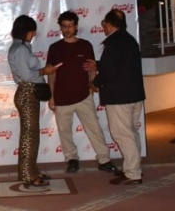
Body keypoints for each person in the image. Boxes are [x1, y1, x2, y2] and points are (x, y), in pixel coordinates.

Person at [46, 11, 120, 175]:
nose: (67, 29)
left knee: (94, 129)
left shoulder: (86, 45)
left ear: (76, 26)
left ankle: (104, 159)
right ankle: (71, 159)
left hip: (83, 96)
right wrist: (51, 97)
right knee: (64, 131)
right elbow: (51, 74)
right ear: (60, 27)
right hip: (61, 97)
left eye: (70, 25)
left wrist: (92, 87)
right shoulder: (55, 48)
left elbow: (92, 68)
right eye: (64, 26)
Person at [84, 9, 147, 185]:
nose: (103, 28)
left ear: (109, 25)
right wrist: (98, 64)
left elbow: (110, 71)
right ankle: (132, 168)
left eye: (104, 24)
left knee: (122, 134)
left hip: (119, 97)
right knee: (131, 132)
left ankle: (133, 173)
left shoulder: (113, 43)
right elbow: (120, 65)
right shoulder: (129, 39)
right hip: (134, 95)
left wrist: (95, 83)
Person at [7, 15, 60, 188]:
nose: (34, 34)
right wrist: (45, 71)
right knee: (29, 136)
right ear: (25, 31)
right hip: (27, 93)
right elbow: (26, 75)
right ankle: (28, 175)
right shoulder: (20, 50)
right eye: (32, 31)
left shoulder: (22, 47)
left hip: (29, 93)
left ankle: (31, 171)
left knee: (32, 135)